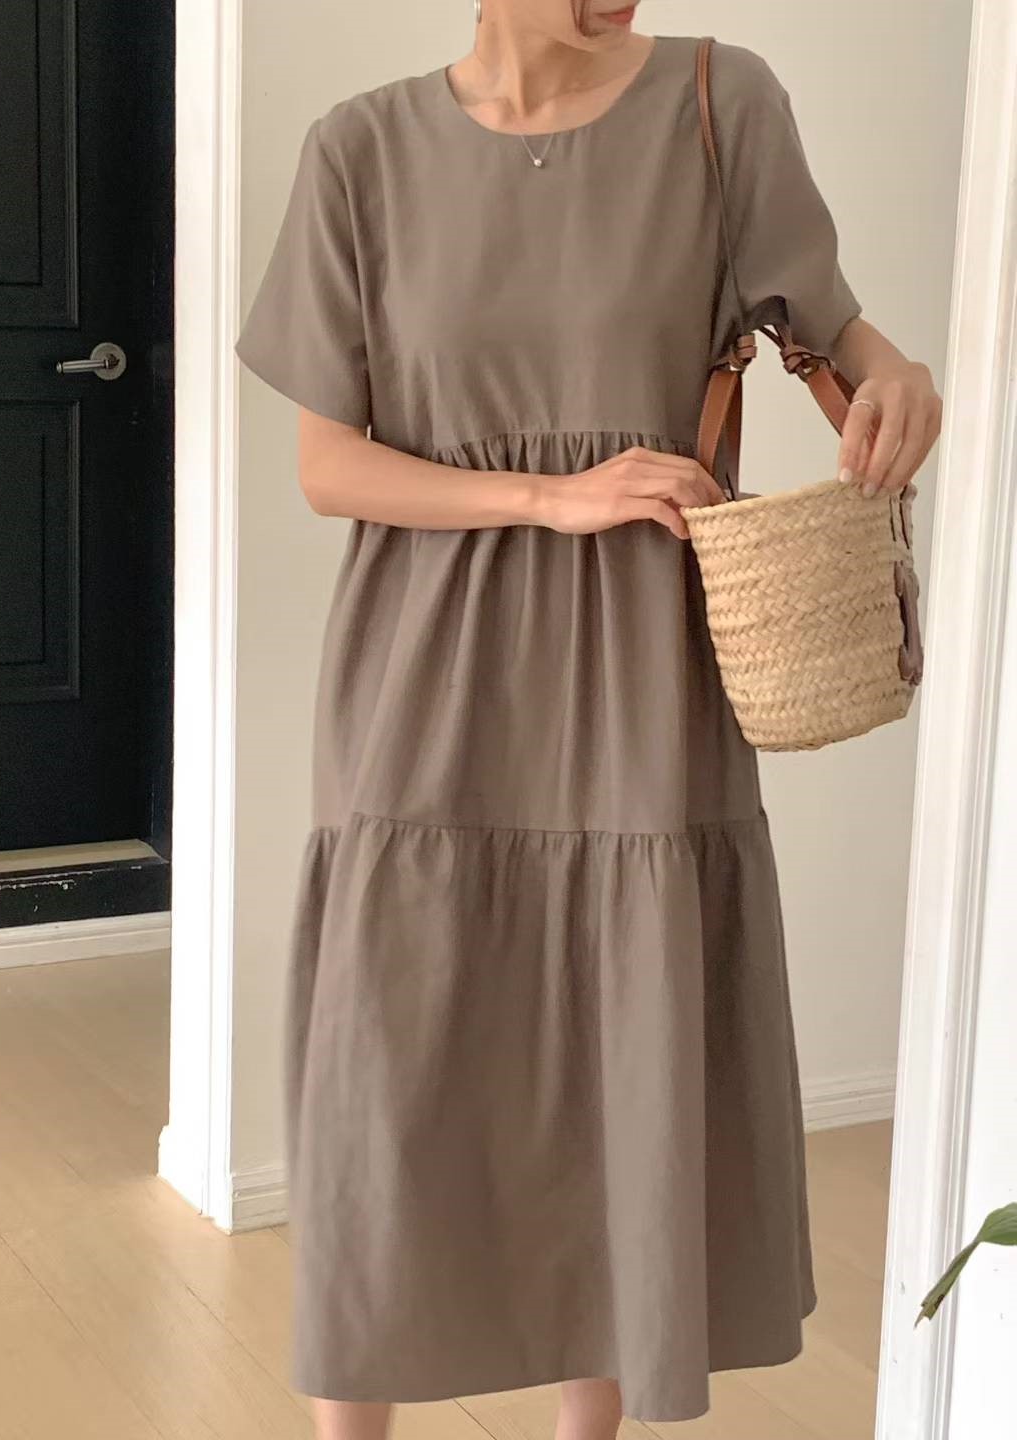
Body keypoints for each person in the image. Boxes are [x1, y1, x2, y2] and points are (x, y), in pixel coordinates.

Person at [234, 5, 943, 1438]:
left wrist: (897, 374)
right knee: (392, 1068)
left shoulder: (719, 103)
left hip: (639, 665)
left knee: (620, 1037)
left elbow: (831, 332)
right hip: (423, 671)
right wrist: (550, 497)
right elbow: (328, 466)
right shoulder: (360, 151)